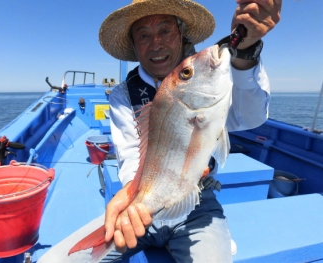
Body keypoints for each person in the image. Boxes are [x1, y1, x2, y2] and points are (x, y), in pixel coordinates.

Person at [102, 0, 281, 262]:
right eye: (143, 35)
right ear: (134, 45)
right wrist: (134, 198)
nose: (156, 43)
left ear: (181, 33)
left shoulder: (208, 77)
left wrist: (246, 50)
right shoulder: (122, 95)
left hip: (197, 203)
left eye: (165, 30)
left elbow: (249, 116)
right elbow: (130, 153)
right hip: (141, 198)